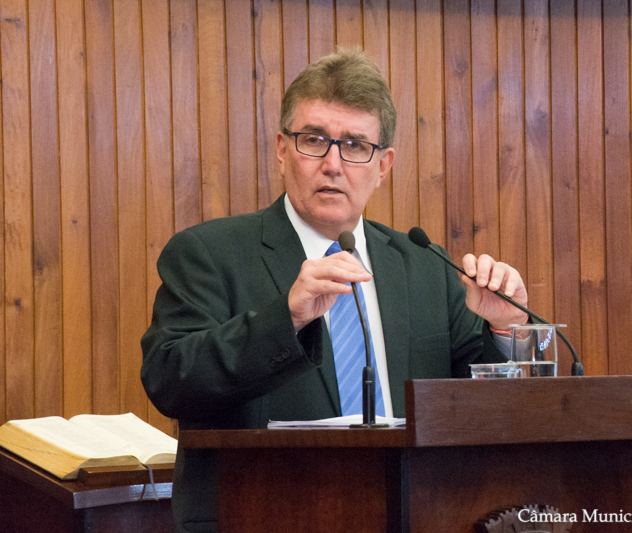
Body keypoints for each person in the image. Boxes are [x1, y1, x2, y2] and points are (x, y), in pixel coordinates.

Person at [141, 49, 529, 533]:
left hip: (416, 514)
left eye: (355, 145)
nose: (333, 164)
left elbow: (484, 410)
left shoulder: (425, 266)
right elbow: (170, 380)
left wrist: (505, 331)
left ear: (383, 165)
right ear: (282, 149)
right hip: (261, 517)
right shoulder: (209, 254)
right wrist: (287, 317)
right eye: (314, 141)